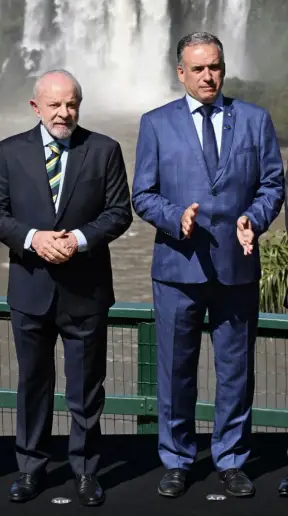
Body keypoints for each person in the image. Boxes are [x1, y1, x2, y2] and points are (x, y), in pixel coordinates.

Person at [132, 32, 285, 499]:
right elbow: (143, 194)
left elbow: (273, 185)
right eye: (198, 68)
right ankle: (177, 459)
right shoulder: (155, 124)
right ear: (180, 72)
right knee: (176, 369)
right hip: (178, 266)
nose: (208, 76)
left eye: (215, 66)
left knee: (236, 370)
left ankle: (232, 457)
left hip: (236, 265)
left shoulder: (255, 121)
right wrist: (174, 218)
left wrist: (253, 220)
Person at [0, 70, 132, 507]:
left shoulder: (104, 150)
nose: (63, 113)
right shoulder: (9, 152)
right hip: (30, 289)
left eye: (70, 104)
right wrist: (34, 238)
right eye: (54, 105)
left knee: (86, 388)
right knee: (33, 383)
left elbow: (119, 212)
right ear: (36, 107)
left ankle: (86, 471)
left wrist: (79, 239)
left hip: (85, 290)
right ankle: (30, 469)